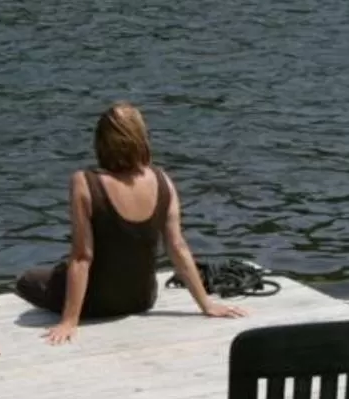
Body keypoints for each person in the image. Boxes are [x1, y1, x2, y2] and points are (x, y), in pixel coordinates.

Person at [15, 102, 247, 346]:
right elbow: (177, 247)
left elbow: (83, 257)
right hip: (142, 299)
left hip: (96, 303)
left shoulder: (84, 182)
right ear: (141, 139)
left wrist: (69, 321)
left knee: (27, 280)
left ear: (101, 142)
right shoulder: (162, 180)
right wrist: (206, 304)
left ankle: (71, 304)